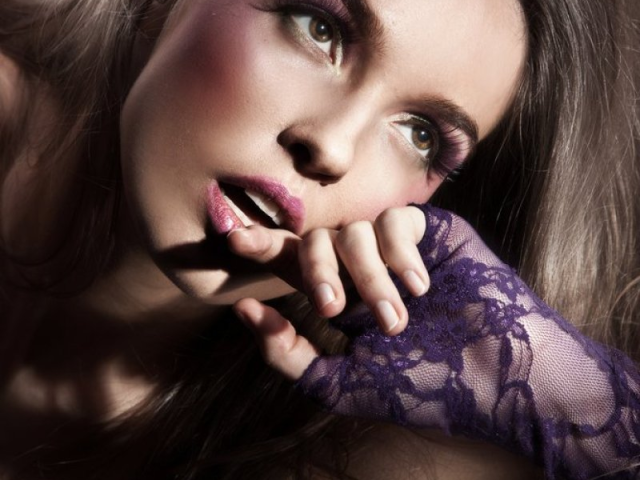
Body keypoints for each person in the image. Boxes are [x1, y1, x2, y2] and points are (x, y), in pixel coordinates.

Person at [0, 1, 637, 480]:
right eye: (320, 27)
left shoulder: (329, 445)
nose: (332, 147)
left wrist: (569, 400)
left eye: (420, 134)